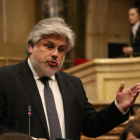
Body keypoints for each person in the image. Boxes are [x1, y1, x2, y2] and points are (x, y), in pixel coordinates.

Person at [0, 18, 140, 140]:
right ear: (31, 46)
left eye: (61, 49)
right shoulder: (5, 78)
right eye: (49, 46)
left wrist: (118, 108)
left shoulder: (73, 84)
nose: (55, 54)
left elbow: (91, 126)